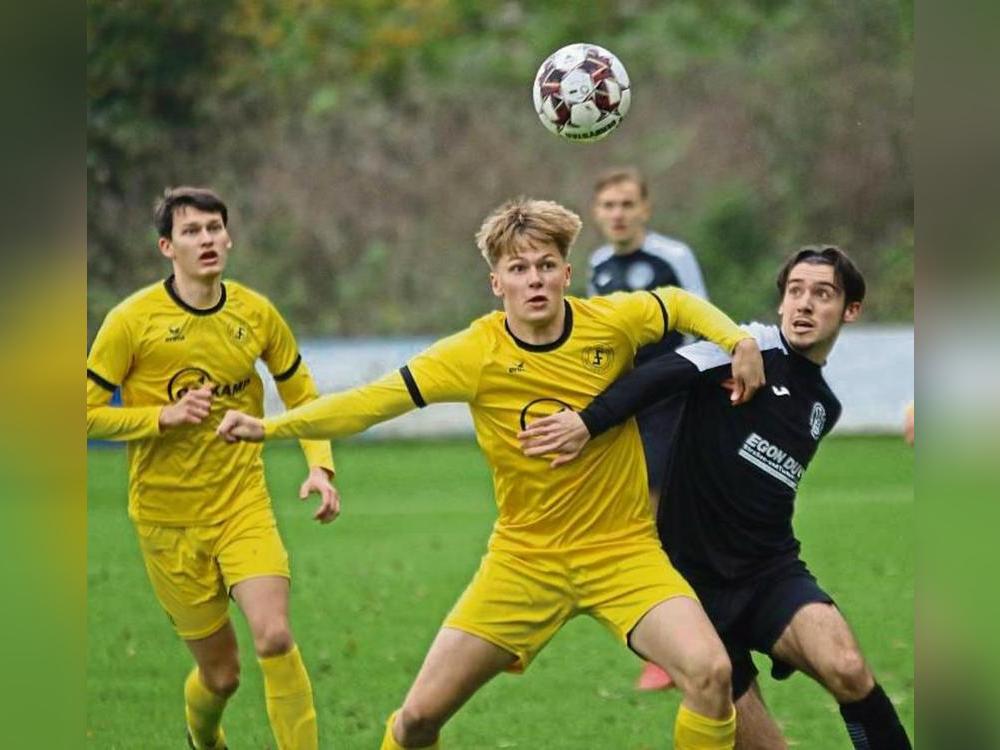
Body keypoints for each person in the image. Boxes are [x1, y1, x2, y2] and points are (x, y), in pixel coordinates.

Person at [218, 197, 767, 749]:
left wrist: (737, 340)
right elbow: (370, 402)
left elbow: (675, 303)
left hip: (623, 551)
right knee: (415, 723)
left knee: (711, 674)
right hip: (524, 561)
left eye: (546, 266)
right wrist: (268, 427)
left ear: (567, 274)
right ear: (496, 283)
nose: (535, 280)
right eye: (519, 268)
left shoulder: (610, 324)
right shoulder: (475, 352)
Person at [519, 246, 912, 749]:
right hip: (686, 589)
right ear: (780, 303)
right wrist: (586, 423)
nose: (805, 305)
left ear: (850, 310)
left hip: (768, 572)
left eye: (822, 294)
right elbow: (656, 376)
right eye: (795, 292)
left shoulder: (824, 407)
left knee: (849, 669)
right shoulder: (741, 348)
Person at [86, 187, 340, 750]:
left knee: (274, 636)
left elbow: (301, 394)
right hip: (167, 520)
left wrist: (320, 466)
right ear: (166, 247)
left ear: (229, 237)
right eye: (192, 231)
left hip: (242, 504)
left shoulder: (255, 312)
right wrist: (161, 417)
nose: (206, 239)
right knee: (221, 675)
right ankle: (205, 740)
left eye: (214, 228)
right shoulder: (131, 322)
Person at [588, 167, 709, 690]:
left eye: (626, 204)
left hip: (674, 401)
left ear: (645, 208)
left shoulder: (673, 258)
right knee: (636, 517)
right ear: (597, 213)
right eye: (608, 205)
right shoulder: (596, 266)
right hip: (626, 406)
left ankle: (671, 648)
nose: (617, 214)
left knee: (657, 516)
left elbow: (705, 321)